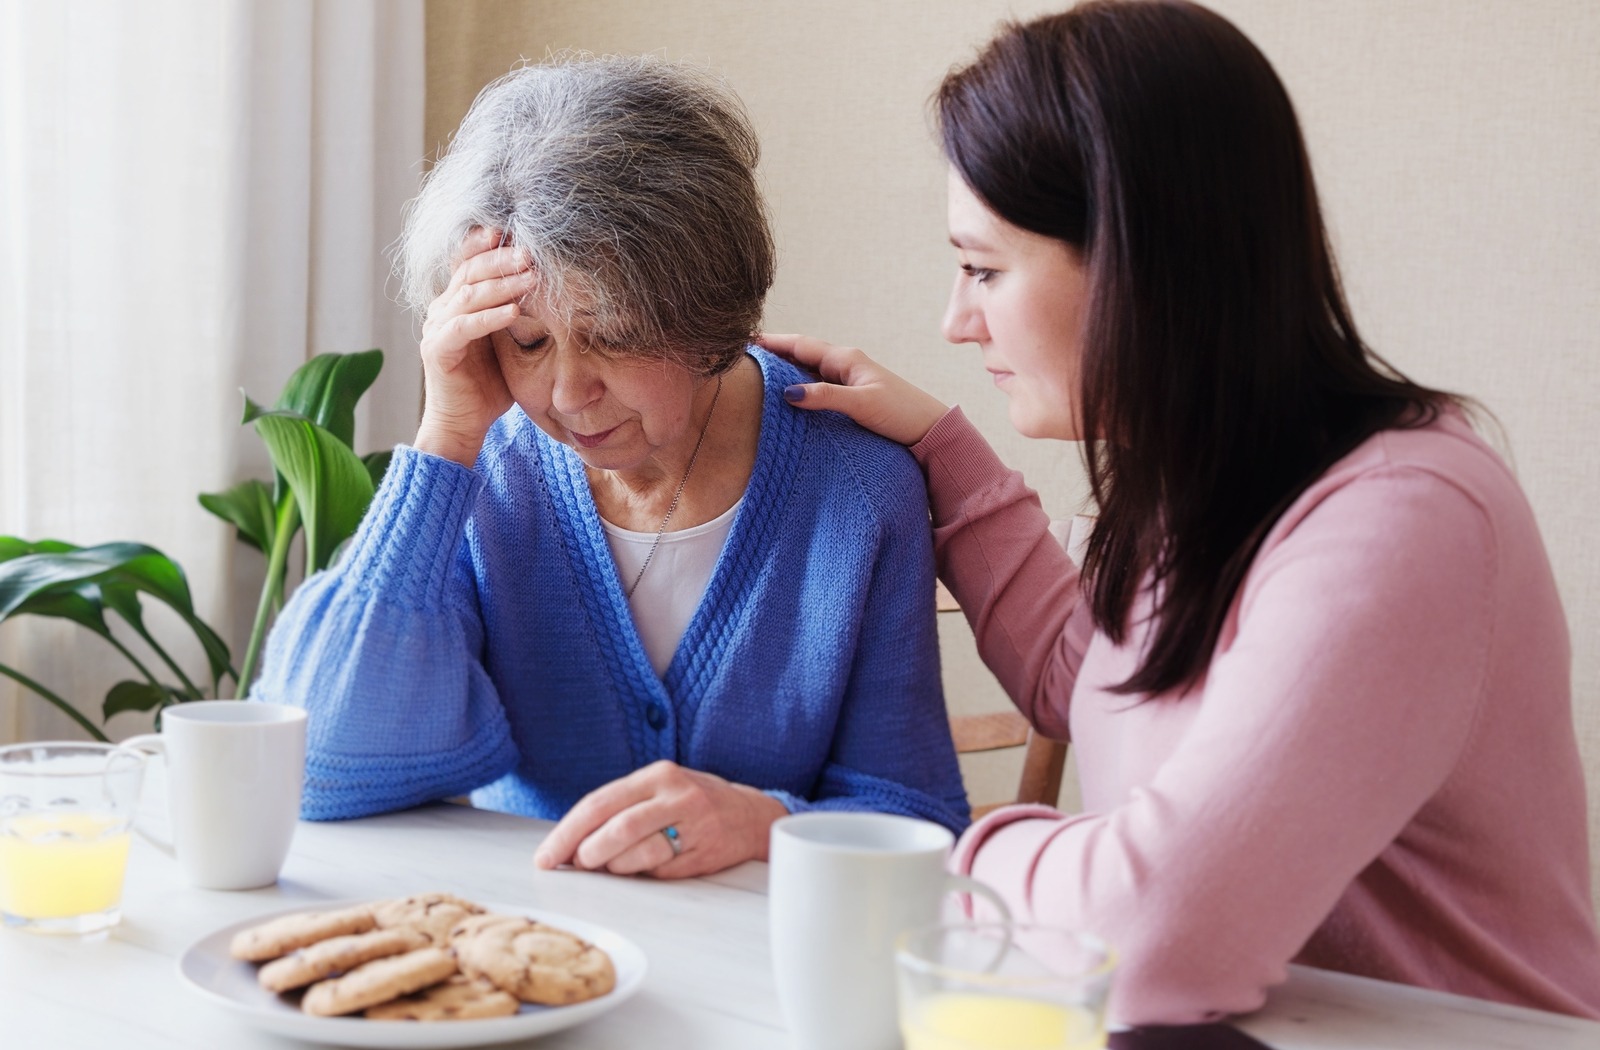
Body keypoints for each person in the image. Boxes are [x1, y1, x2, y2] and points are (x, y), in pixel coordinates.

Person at [764, 0, 1600, 1025]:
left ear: (1136, 262)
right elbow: (1087, 685)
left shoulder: (1405, 521)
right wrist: (939, 448)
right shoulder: (1202, 482)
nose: (954, 318)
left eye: (983, 268)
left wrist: (932, 853)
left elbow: (1151, 932)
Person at [250, 55, 969, 879]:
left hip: (752, 971)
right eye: (526, 342)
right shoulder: (486, 473)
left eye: (614, 335)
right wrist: (445, 436)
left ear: (705, 311)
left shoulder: (858, 489)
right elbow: (318, 767)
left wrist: (767, 822)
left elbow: (919, 819)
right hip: (520, 949)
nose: (567, 392)